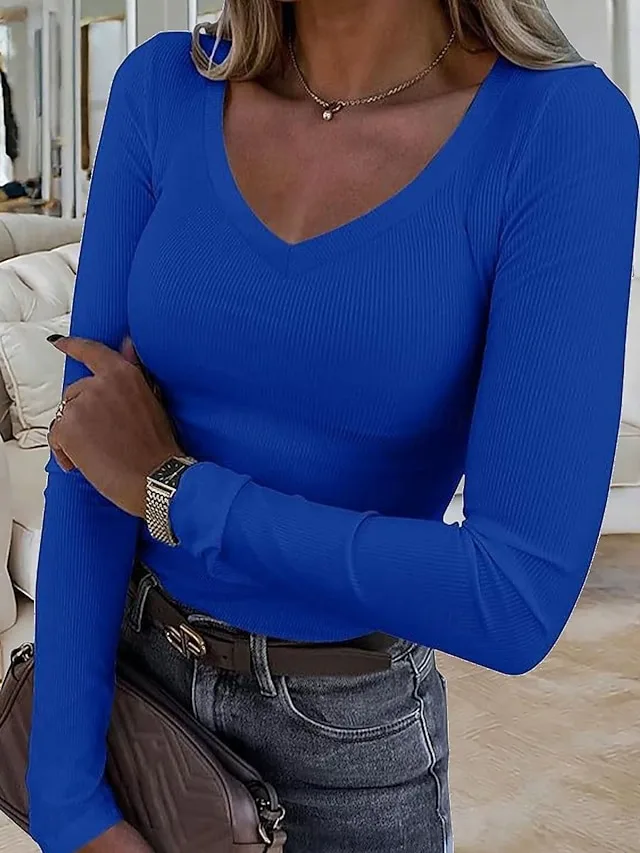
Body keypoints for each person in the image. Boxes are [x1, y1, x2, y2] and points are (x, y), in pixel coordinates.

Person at [27, 1, 640, 852]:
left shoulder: (559, 128)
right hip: (138, 700)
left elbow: (512, 597)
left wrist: (177, 493)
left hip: (347, 758)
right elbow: (88, 449)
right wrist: (67, 804)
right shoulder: (164, 87)